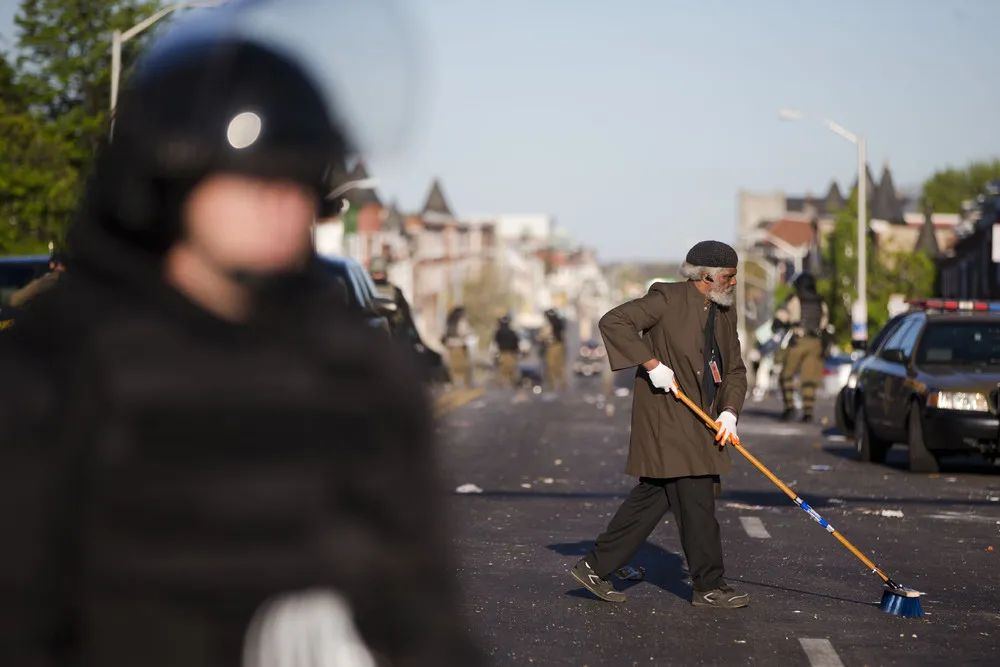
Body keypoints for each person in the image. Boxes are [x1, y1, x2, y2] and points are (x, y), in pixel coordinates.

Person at [0, 13, 480, 667]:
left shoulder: (354, 365)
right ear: (172, 173)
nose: (279, 205)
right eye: (253, 180)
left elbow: (424, 610)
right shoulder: (58, 364)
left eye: (295, 182)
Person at [570, 240, 750, 609]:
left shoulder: (724, 313)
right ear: (706, 276)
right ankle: (709, 585)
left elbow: (734, 369)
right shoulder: (666, 298)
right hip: (668, 418)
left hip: (702, 419)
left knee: (653, 497)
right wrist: (652, 365)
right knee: (697, 499)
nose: (734, 283)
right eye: (729, 277)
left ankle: (595, 566)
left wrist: (729, 411)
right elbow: (614, 322)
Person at [775, 272, 829, 422]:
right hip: (815, 343)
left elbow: (781, 318)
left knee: (786, 375)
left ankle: (790, 407)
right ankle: (808, 411)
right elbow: (824, 324)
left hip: (797, 341)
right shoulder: (821, 302)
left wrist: (781, 324)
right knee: (810, 378)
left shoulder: (794, 299)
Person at [442, 306, 472, 388]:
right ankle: (465, 386)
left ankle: (454, 385)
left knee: (453, 368)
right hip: (459, 345)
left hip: (450, 346)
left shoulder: (449, 322)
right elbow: (465, 332)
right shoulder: (462, 322)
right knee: (463, 366)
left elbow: (444, 334)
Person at [539, 308, 566, 391]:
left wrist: (541, 337)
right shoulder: (559, 323)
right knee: (559, 367)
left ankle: (553, 386)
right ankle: (562, 385)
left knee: (551, 367)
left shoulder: (549, 324)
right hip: (559, 346)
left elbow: (543, 336)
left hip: (552, 347)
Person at [493, 314, 520, 388]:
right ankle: (512, 385)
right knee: (511, 371)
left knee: (502, 371)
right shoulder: (512, 333)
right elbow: (516, 343)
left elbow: (496, 343)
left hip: (502, 353)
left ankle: (503, 385)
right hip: (511, 354)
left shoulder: (498, 333)